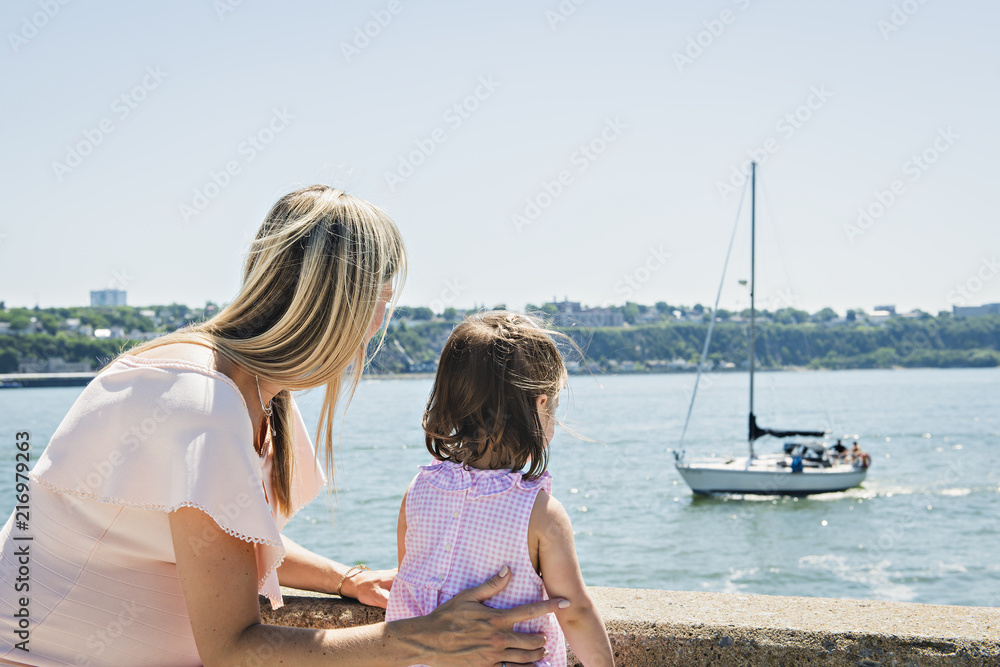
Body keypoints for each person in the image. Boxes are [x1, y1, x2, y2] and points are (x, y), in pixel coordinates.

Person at [0, 186, 565, 666]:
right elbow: (231, 648)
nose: (378, 326)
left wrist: (346, 579)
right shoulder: (202, 404)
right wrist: (415, 638)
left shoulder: (249, 391)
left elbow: (220, 541)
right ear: (337, 307)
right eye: (382, 302)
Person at [385, 311, 615, 667]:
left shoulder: (418, 490)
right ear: (541, 404)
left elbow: (409, 579)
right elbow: (574, 612)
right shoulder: (539, 514)